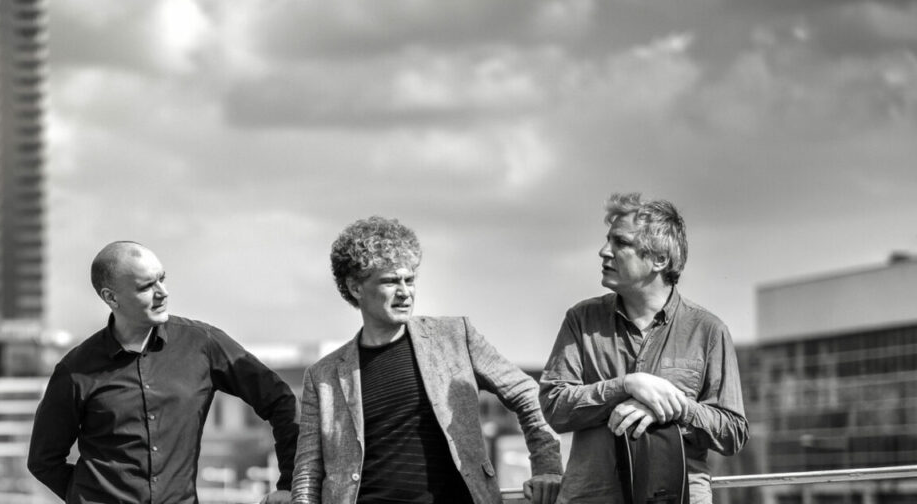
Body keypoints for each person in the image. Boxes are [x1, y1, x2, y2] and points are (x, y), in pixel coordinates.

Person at [292, 217, 563, 504]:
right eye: (390, 281)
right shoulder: (323, 376)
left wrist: (547, 467)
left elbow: (528, 393)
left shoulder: (455, 337)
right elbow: (308, 471)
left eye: (409, 280)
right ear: (355, 287)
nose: (404, 292)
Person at [28, 241, 300, 504]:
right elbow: (44, 460)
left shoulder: (202, 344)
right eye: (146, 286)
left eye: (162, 279)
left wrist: (290, 484)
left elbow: (281, 400)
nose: (162, 292)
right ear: (111, 297)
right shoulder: (75, 369)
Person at [539, 193, 748, 503]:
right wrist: (626, 385)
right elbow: (554, 406)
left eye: (620, 243)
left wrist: (673, 408)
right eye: (607, 240)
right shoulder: (581, 320)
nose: (603, 251)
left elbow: (733, 432)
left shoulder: (708, 330)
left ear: (659, 260)